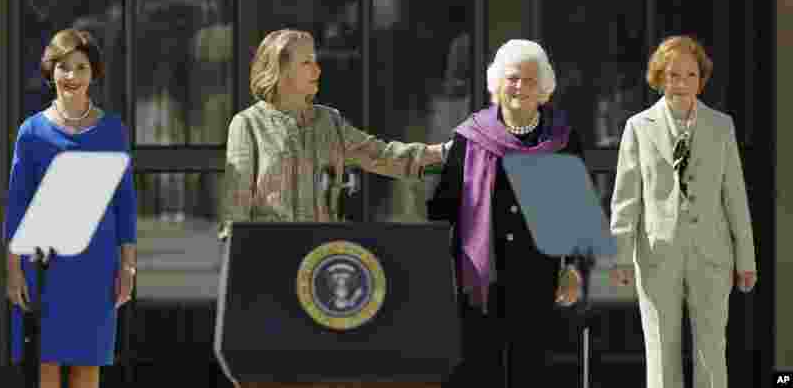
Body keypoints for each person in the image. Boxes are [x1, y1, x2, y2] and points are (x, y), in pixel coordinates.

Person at [217, 28, 448, 388]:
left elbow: (385, 156)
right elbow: (236, 207)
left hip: (322, 270)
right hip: (268, 271)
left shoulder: (331, 122)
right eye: (307, 61)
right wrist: (241, 279)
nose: (318, 69)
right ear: (280, 70)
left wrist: (449, 153)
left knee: (323, 373)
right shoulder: (247, 124)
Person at [426, 39, 584, 387]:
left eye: (530, 80)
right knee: (482, 370)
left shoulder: (561, 138)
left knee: (530, 370)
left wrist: (572, 267)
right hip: (480, 275)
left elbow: (575, 212)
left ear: (543, 89)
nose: (520, 87)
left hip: (538, 276)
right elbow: (443, 207)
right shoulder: (470, 136)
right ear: (497, 83)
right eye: (512, 78)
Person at [609, 35, 756, 388]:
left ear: (701, 79)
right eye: (673, 75)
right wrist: (621, 257)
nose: (681, 83)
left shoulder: (722, 126)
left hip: (712, 254)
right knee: (661, 353)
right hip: (658, 254)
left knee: (711, 352)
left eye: (690, 75)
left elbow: (734, 195)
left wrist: (746, 258)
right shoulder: (638, 127)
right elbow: (626, 197)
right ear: (659, 77)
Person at [4, 28, 138, 388]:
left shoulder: (112, 130)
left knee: (87, 367)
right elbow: (17, 205)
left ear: (93, 73)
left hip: (96, 267)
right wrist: (13, 271)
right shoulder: (31, 132)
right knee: (44, 366)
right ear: (51, 72)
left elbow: (125, 202)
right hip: (44, 267)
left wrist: (128, 265)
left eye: (81, 67)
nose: (72, 77)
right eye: (64, 68)